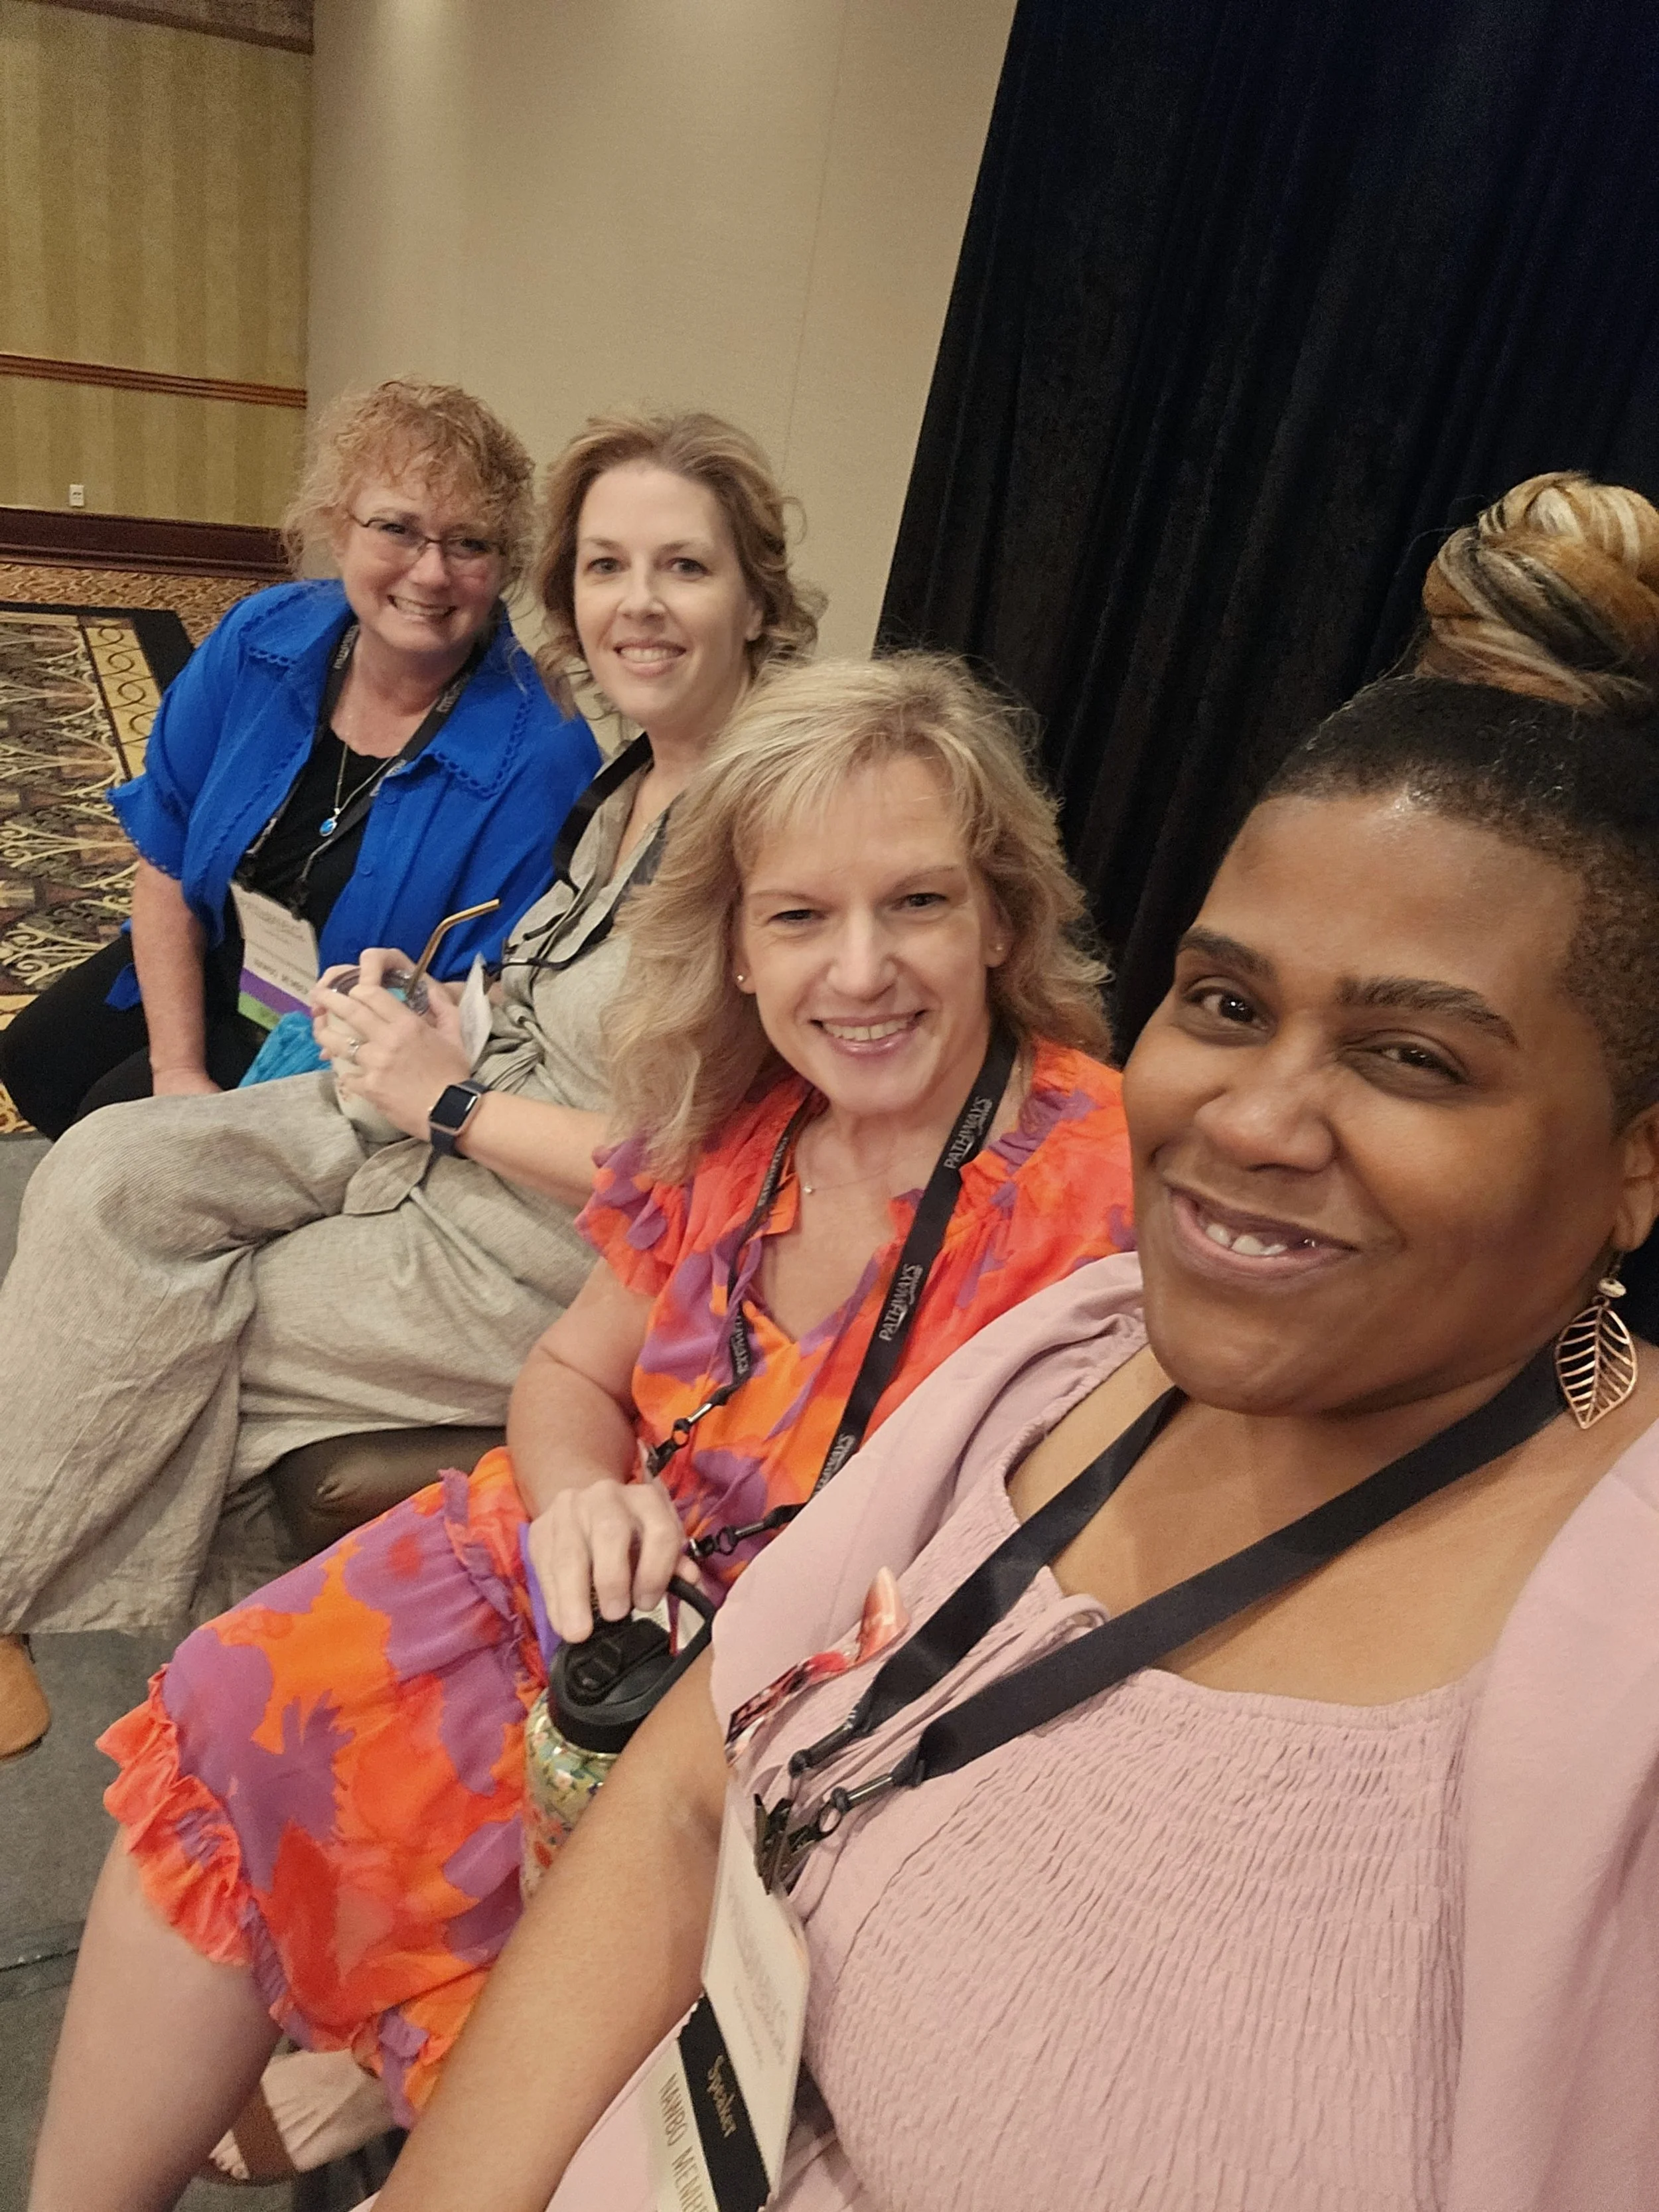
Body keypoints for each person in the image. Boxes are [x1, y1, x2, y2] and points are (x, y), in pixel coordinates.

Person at [326, 471, 1659, 2212]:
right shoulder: (1066, 1356)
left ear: (1634, 1155)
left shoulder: (1607, 1672)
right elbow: (682, 1802)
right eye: (1228, 1000)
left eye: (1414, 1056)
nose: (1253, 1115)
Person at [25, 650, 1138, 2212]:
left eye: (921, 904)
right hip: (602, 1600)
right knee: (233, 1695)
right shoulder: (747, 1126)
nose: (863, 969)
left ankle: (382, 2039)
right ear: (741, 951)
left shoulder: (1109, 1190)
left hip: (821, 1713)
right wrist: (573, 1500)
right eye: (801, 916)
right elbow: (566, 1374)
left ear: (1003, 918)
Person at [0, 406, 822, 1751]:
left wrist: (448, 1101)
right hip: (446, 1096)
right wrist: (441, 1009)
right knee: (108, 1164)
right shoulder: (627, 776)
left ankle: (165, 1671)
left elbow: (708, 1160)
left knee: (202, 1318)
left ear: (753, 593)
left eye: (683, 567)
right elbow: (555, 982)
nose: (639, 605)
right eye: (607, 567)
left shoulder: (769, 818)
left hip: (543, 1217)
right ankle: (56, 1601)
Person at [0, 378, 597, 1138]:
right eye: (397, 528)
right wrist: (177, 1072)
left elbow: (488, 1005)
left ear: (504, 563)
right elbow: (168, 856)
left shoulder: (543, 752)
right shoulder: (263, 635)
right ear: (336, 529)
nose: (431, 572)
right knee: (36, 1059)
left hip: (344, 1048)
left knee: (110, 1130)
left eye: (469, 542)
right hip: (225, 944)